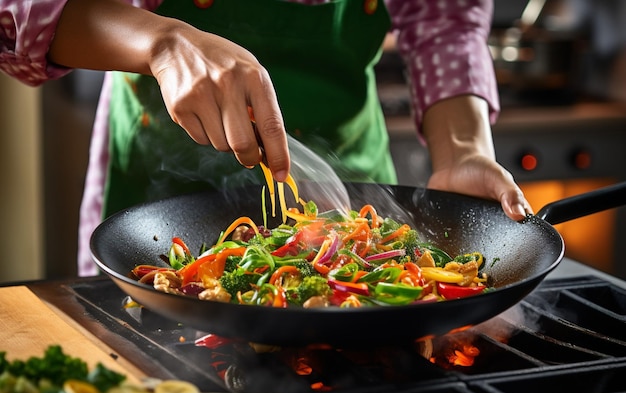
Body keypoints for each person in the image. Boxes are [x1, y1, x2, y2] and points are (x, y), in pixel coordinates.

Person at [0, 0, 532, 277]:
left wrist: (464, 149)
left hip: (356, 162)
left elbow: (444, 19)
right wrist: (161, 41)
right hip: (158, 206)